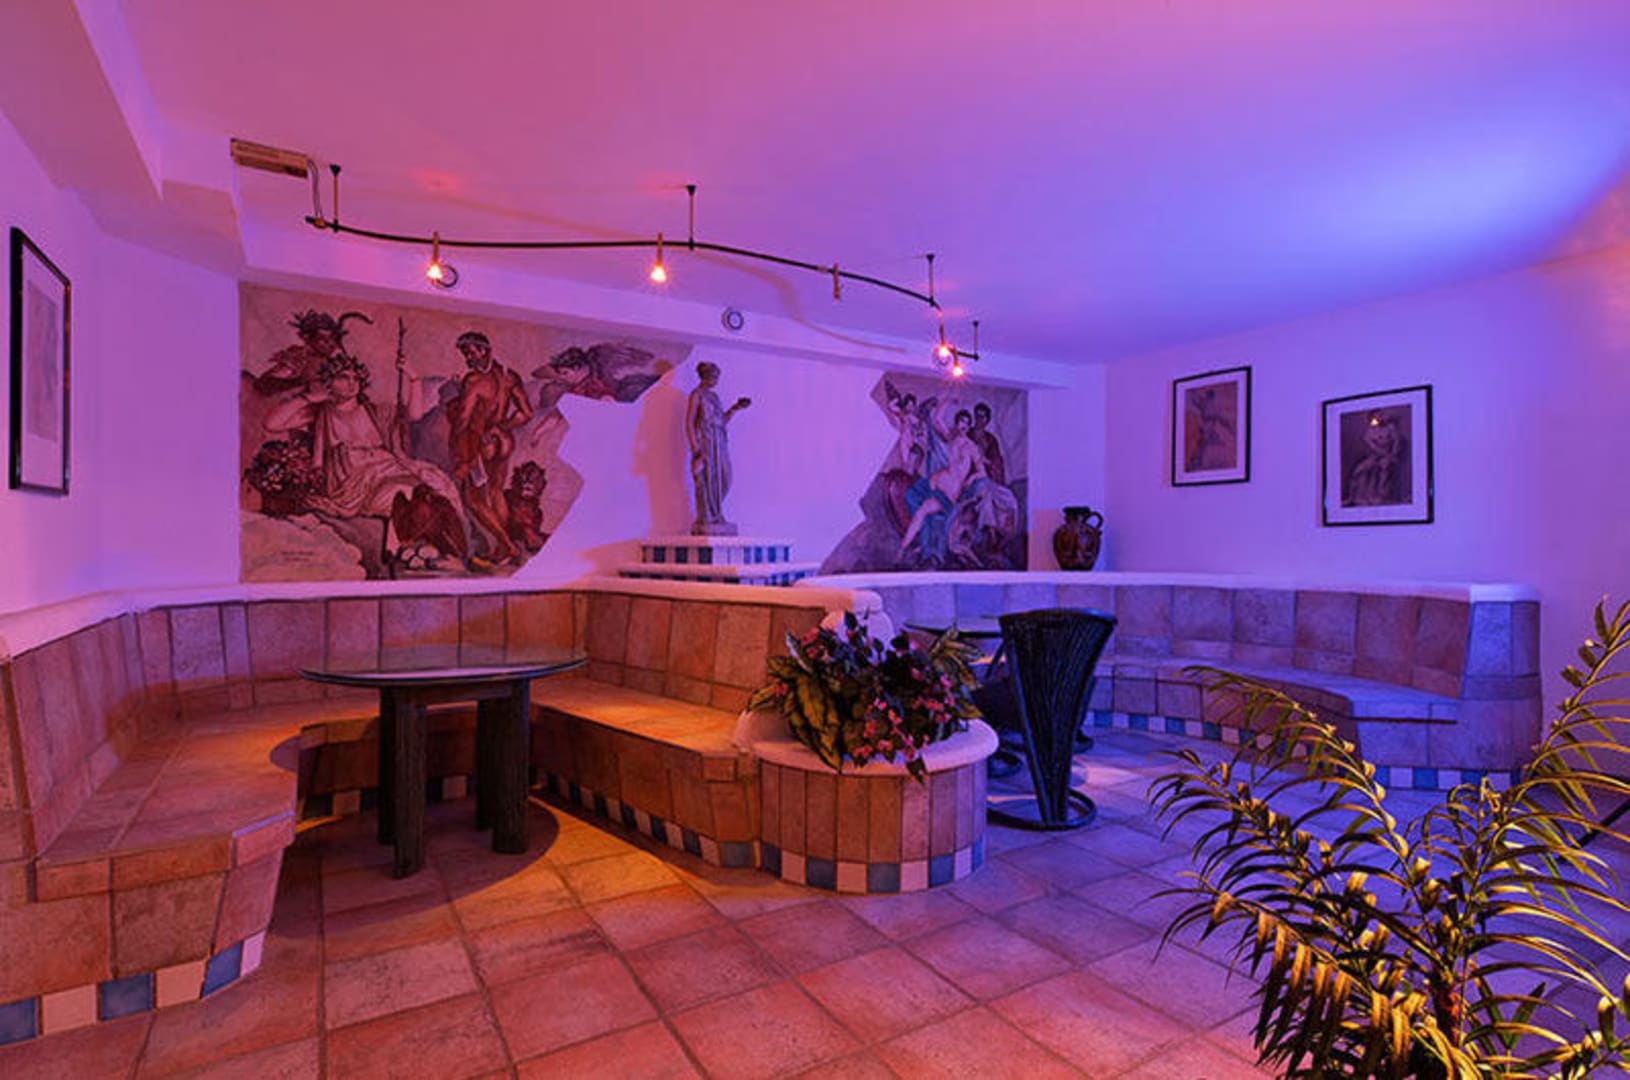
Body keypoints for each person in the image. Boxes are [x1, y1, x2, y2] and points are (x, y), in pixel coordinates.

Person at [262, 354, 463, 551]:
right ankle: (401, 550)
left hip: (390, 468)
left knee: (438, 487)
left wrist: (413, 378)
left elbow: (414, 415)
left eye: (355, 378)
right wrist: (307, 398)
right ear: (329, 382)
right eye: (343, 377)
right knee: (403, 492)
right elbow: (271, 424)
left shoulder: (375, 411)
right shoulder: (321, 414)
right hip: (356, 481)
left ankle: (445, 550)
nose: (352, 383)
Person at [446, 331, 534, 566]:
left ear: (484, 350)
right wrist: (501, 427)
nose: (468, 358)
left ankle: (506, 545)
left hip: (480, 444)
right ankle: (502, 548)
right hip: (503, 441)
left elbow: (463, 421)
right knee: (496, 492)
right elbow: (526, 413)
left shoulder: (473, 381)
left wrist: (459, 454)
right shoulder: (509, 376)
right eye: (465, 354)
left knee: (473, 499)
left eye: (470, 353)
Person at [899, 407, 986, 563]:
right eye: (961, 421)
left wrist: (970, 479)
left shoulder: (971, 447)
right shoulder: (951, 439)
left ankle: (903, 549)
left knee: (923, 511)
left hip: (948, 493)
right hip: (934, 483)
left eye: (967, 423)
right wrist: (949, 398)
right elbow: (937, 418)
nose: (964, 425)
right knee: (910, 496)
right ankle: (919, 542)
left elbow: (982, 472)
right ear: (957, 423)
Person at [687, 362, 751, 533]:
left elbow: (722, 421)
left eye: (717, 377)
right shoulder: (696, 395)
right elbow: (689, 423)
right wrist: (696, 450)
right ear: (705, 376)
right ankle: (708, 516)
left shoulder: (714, 397)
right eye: (714, 377)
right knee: (706, 480)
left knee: (725, 477)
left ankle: (716, 512)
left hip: (720, 442)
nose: (716, 380)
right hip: (706, 443)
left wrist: (736, 408)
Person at [253, 310, 370, 397]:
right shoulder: (299, 357)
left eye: (333, 339)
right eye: (323, 340)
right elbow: (264, 384)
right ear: (308, 339)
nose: (331, 344)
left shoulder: (334, 362)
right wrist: (305, 388)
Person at [1348, 411, 1405, 506]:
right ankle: (1358, 496)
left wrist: (1392, 455)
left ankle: (1382, 496)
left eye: (1380, 415)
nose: (1379, 418)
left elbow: (1397, 442)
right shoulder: (1369, 432)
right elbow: (1372, 446)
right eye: (1376, 416)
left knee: (1384, 468)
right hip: (1376, 455)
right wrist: (1384, 454)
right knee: (1360, 470)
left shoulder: (1391, 428)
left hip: (1391, 456)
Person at [969, 402, 1007, 485]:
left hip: (985, 476)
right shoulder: (967, 434)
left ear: (987, 420)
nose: (979, 419)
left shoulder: (991, 439)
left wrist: (985, 460)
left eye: (982, 417)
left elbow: (997, 463)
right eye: (977, 415)